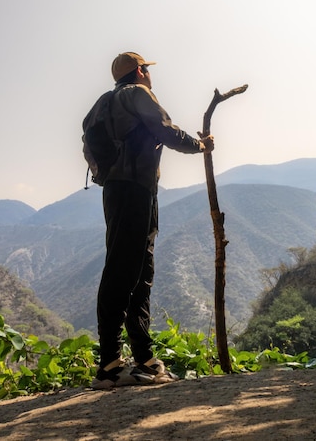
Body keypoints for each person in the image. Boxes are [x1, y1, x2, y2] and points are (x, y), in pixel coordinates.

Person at [91, 51, 214, 389]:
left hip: (123, 190)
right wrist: (200, 145)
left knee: (138, 271)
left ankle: (144, 359)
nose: (149, 75)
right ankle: (109, 365)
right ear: (140, 71)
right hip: (134, 190)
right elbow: (166, 129)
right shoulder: (138, 94)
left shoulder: (104, 102)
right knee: (124, 271)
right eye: (147, 69)